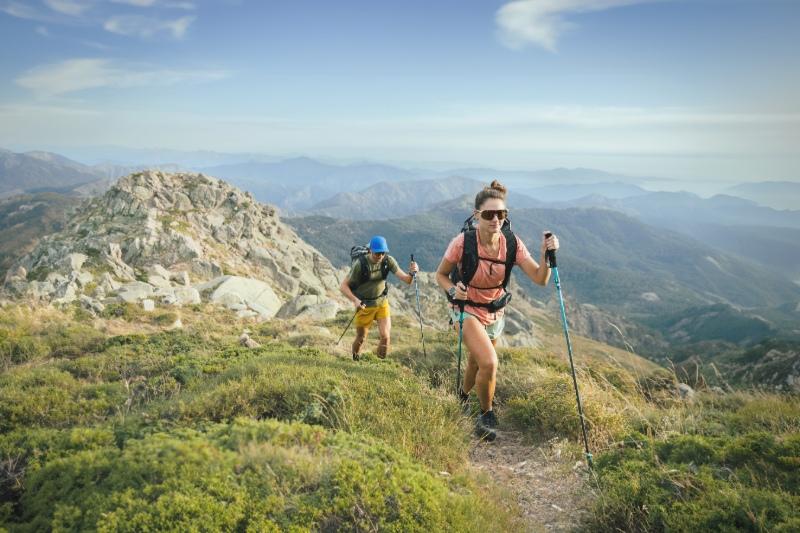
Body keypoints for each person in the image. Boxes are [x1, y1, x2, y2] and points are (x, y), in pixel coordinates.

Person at [435, 180, 559, 441]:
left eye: (501, 214)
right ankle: (486, 415)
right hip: (465, 308)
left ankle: (462, 397)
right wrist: (451, 291)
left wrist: (545, 255)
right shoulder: (462, 242)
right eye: (490, 214)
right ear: (477, 214)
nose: (496, 220)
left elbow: (540, 279)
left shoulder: (512, 243)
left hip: (494, 312)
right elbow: (441, 275)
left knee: (475, 361)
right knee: (489, 362)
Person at [340, 235, 419, 360]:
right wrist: (355, 300)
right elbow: (343, 286)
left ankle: (379, 365)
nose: (380, 256)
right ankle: (355, 359)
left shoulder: (388, 261)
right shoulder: (360, 264)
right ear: (370, 250)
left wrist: (412, 272)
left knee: (386, 336)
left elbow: (407, 280)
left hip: (382, 302)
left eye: (382, 253)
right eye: (377, 253)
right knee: (361, 338)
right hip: (364, 305)